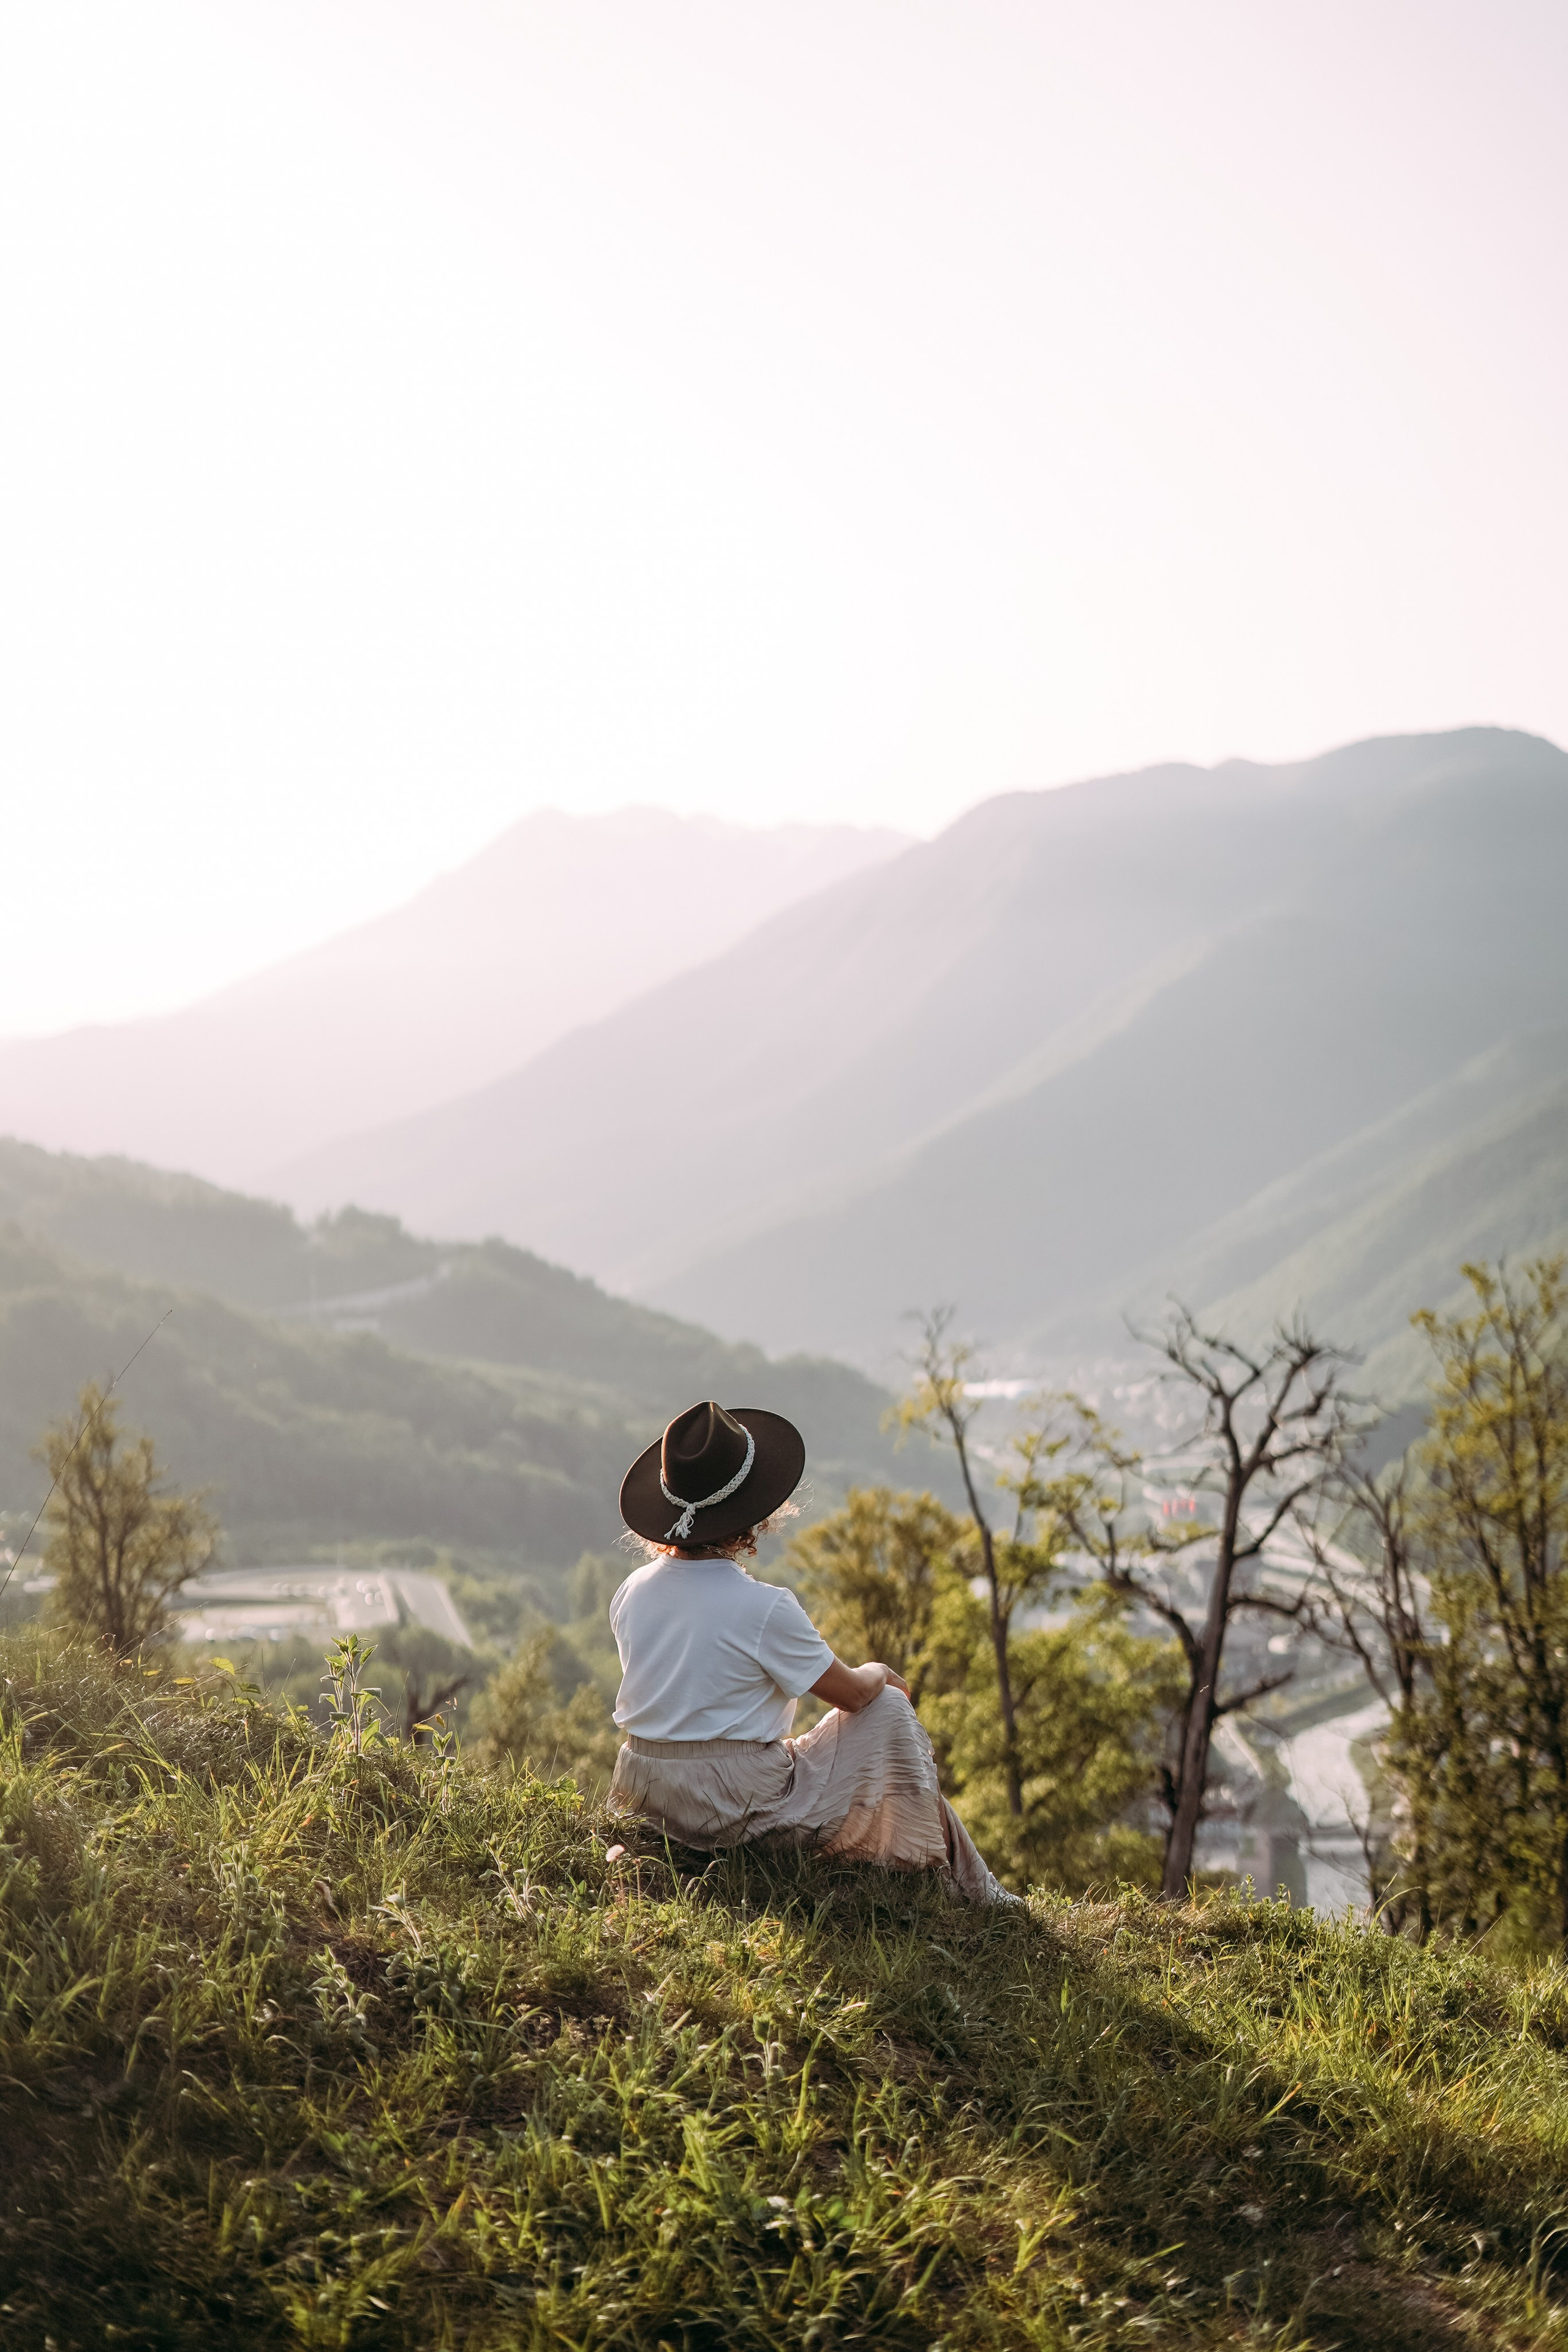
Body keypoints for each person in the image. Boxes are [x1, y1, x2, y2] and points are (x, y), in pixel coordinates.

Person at [606, 1400, 1014, 1904]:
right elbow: (855, 1696)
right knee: (889, 1707)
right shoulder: (763, 1608)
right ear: (751, 1516)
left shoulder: (632, 1590)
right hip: (733, 1805)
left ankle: (976, 1886)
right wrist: (879, 1670)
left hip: (643, 1793)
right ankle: (944, 1880)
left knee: (819, 1735)